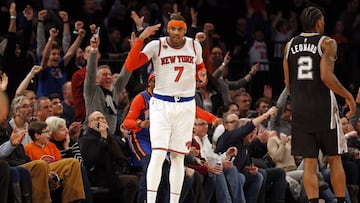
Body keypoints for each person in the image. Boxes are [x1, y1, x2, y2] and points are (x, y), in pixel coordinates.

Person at [125, 14, 207, 203]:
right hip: (162, 104)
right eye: (172, 29)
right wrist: (142, 37)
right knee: (159, 154)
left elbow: (201, 67)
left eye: (179, 29)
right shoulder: (157, 45)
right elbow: (130, 65)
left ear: (185, 30)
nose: (175, 33)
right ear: (167, 29)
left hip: (186, 104)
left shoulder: (195, 45)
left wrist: (201, 74)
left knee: (178, 157)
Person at [283, 6, 356, 203]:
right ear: (318, 22)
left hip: (300, 109)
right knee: (334, 158)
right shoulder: (327, 43)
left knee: (309, 162)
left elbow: (288, 84)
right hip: (323, 108)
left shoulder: (289, 45)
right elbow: (326, 76)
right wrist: (348, 96)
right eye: (322, 20)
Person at [79, 111, 139, 202]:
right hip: (103, 176)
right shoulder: (86, 140)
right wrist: (103, 138)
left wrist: (126, 138)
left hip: (121, 171)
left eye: (103, 118)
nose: (102, 120)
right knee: (132, 181)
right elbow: (94, 159)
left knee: (144, 176)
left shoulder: (113, 137)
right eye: (97, 119)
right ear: (90, 125)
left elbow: (128, 153)